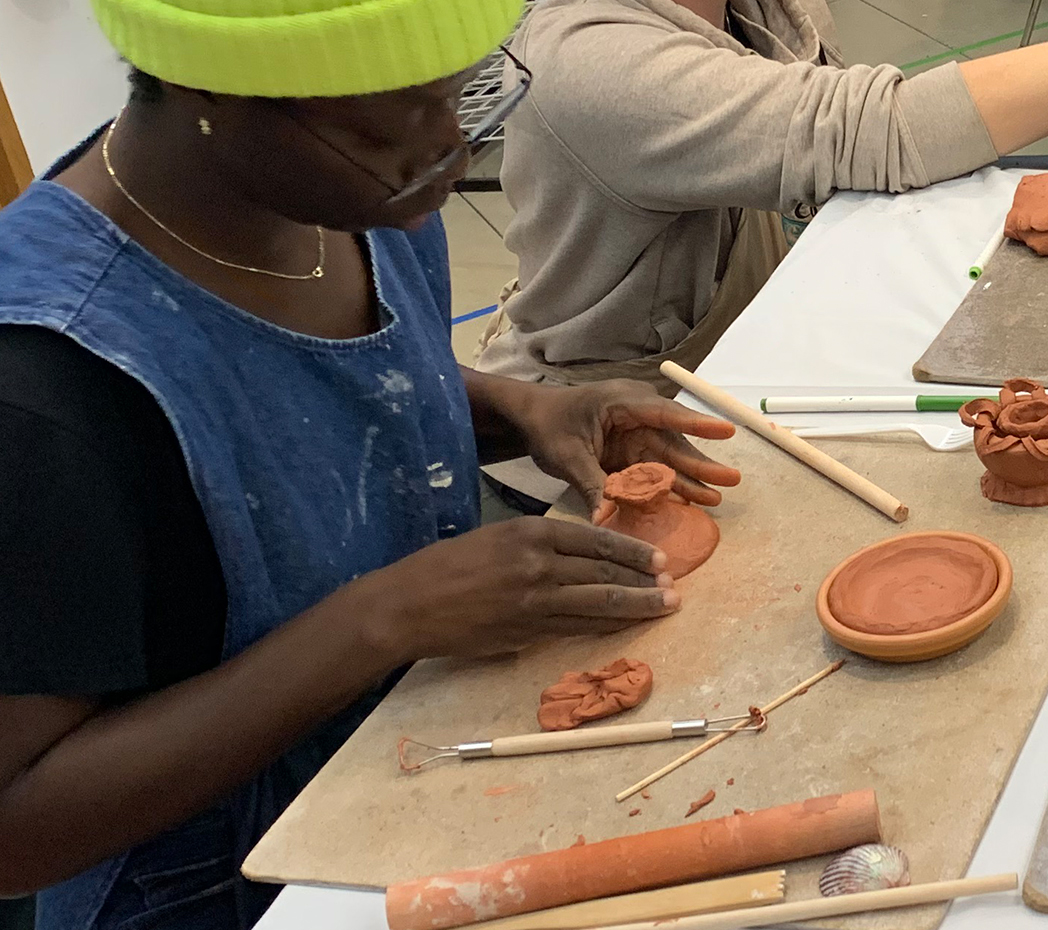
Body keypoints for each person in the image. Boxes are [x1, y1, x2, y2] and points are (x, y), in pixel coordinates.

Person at [0, 1, 744, 927]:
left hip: (414, 766)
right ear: (214, 93)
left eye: (464, 91)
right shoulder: (43, 389)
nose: (451, 148)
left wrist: (527, 408)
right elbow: (17, 831)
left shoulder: (353, 192)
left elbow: (325, 392)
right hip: (232, 891)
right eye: (400, 114)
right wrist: (383, 619)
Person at [472, 0, 1048, 390]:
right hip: (603, 421)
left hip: (742, 356)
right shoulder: (587, 60)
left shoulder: (752, 8)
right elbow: (882, 132)